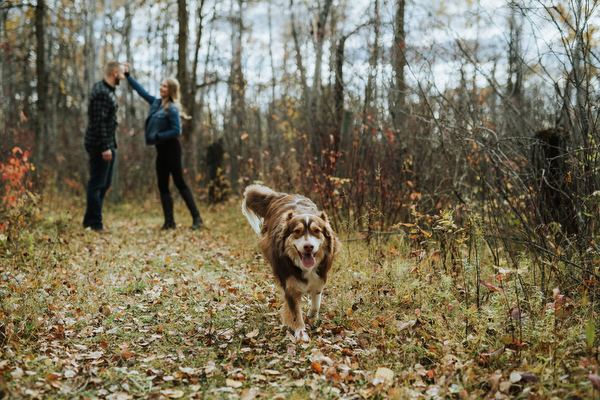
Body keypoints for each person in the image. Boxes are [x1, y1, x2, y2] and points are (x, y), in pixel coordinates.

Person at [123, 63, 202, 230]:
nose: (161, 88)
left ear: (171, 90)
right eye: (161, 85)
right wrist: (129, 76)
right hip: (161, 150)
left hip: (173, 149)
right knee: (162, 184)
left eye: (164, 86)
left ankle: (197, 218)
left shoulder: (171, 108)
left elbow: (176, 130)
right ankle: (169, 222)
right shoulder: (156, 103)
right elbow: (141, 91)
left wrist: (159, 136)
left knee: (180, 182)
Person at [83, 61, 125, 231]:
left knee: (104, 183)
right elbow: (98, 122)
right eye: (122, 74)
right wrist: (105, 147)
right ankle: (95, 223)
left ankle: (89, 220)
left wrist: (126, 70)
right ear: (114, 73)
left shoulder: (106, 89)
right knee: (97, 183)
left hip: (106, 143)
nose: (123, 77)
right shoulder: (101, 93)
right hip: (100, 145)